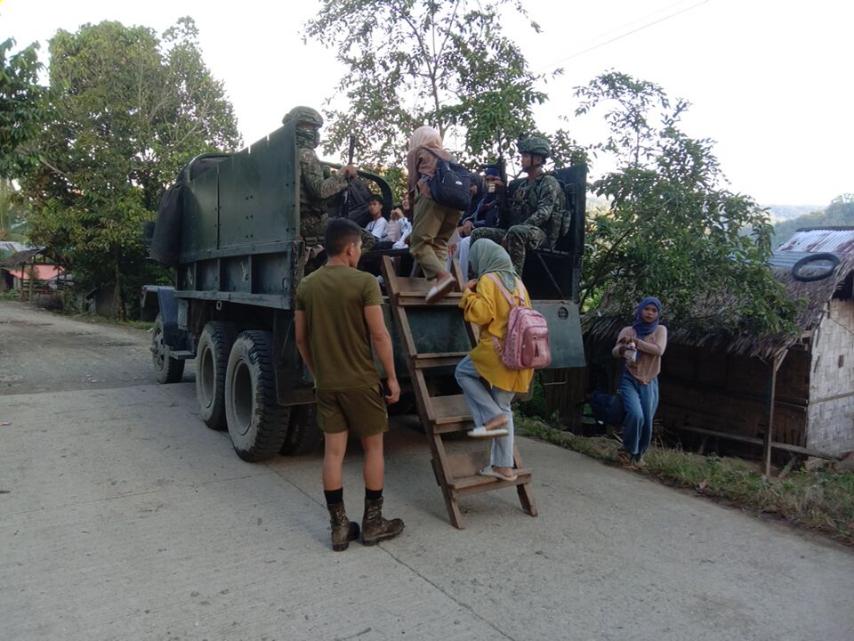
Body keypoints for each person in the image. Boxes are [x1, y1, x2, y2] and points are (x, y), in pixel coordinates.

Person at [295, 218, 405, 551]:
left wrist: (318, 374)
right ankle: (373, 524)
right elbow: (379, 334)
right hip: (362, 384)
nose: (359, 252)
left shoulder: (307, 286)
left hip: (327, 385)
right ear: (349, 248)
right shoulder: (364, 283)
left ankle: (339, 528)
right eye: (358, 247)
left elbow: (301, 339)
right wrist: (392, 376)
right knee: (373, 449)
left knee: (333, 453)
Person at [454, 239, 534, 482]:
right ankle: (503, 466)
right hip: (520, 357)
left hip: (497, 352)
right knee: (505, 408)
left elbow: (481, 314)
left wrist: (467, 293)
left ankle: (490, 416)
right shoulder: (519, 284)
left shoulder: (489, 280)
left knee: (463, 372)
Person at [469, 136, 570, 275]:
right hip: (518, 231)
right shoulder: (522, 186)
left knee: (516, 231)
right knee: (478, 233)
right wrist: (501, 194)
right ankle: (476, 279)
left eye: (526, 156)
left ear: (538, 160)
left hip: (541, 235)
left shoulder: (548, 182)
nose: (522, 159)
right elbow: (510, 215)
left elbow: (543, 214)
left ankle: (514, 283)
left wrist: (514, 230)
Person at [284, 106, 361, 275]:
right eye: (312, 128)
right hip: (311, 222)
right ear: (301, 128)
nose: (315, 133)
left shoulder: (286, 155)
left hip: (295, 222)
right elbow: (319, 191)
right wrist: (341, 175)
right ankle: (340, 276)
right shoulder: (306, 154)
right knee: (366, 238)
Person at [406, 125, 462, 303]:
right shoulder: (448, 156)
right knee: (439, 242)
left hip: (431, 197)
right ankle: (439, 286)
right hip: (456, 202)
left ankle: (442, 277)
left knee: (419, 243)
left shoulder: (417, 152)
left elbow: (413, 184)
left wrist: (414, 217)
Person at [611, 297, 667, 465]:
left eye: (654, 310)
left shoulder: (660, 330)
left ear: (657, 314)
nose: (649, 313)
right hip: (630, 377)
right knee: (636, 414)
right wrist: (623, 349)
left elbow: (659, 350)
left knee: (647, 421)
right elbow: (614, 351)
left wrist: (636, 343)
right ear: (640, 310)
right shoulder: (628, 330)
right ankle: (627, 450)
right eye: (646, 309)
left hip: (649, 380)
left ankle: (639, 455)